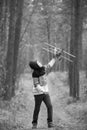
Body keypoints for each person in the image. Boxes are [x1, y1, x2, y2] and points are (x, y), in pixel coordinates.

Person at [29, 50, 61, 129]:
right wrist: (42, 91)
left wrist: (55, 57)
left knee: (49, 106)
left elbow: (50, 65)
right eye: (38, 62)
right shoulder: (35, 74)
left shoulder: (43, 68)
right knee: (37, 108)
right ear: (36, 66)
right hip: (38, 93)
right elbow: (36, 85)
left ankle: (50, 122)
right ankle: (34, 123)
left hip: (45, 92)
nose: (39, 62)